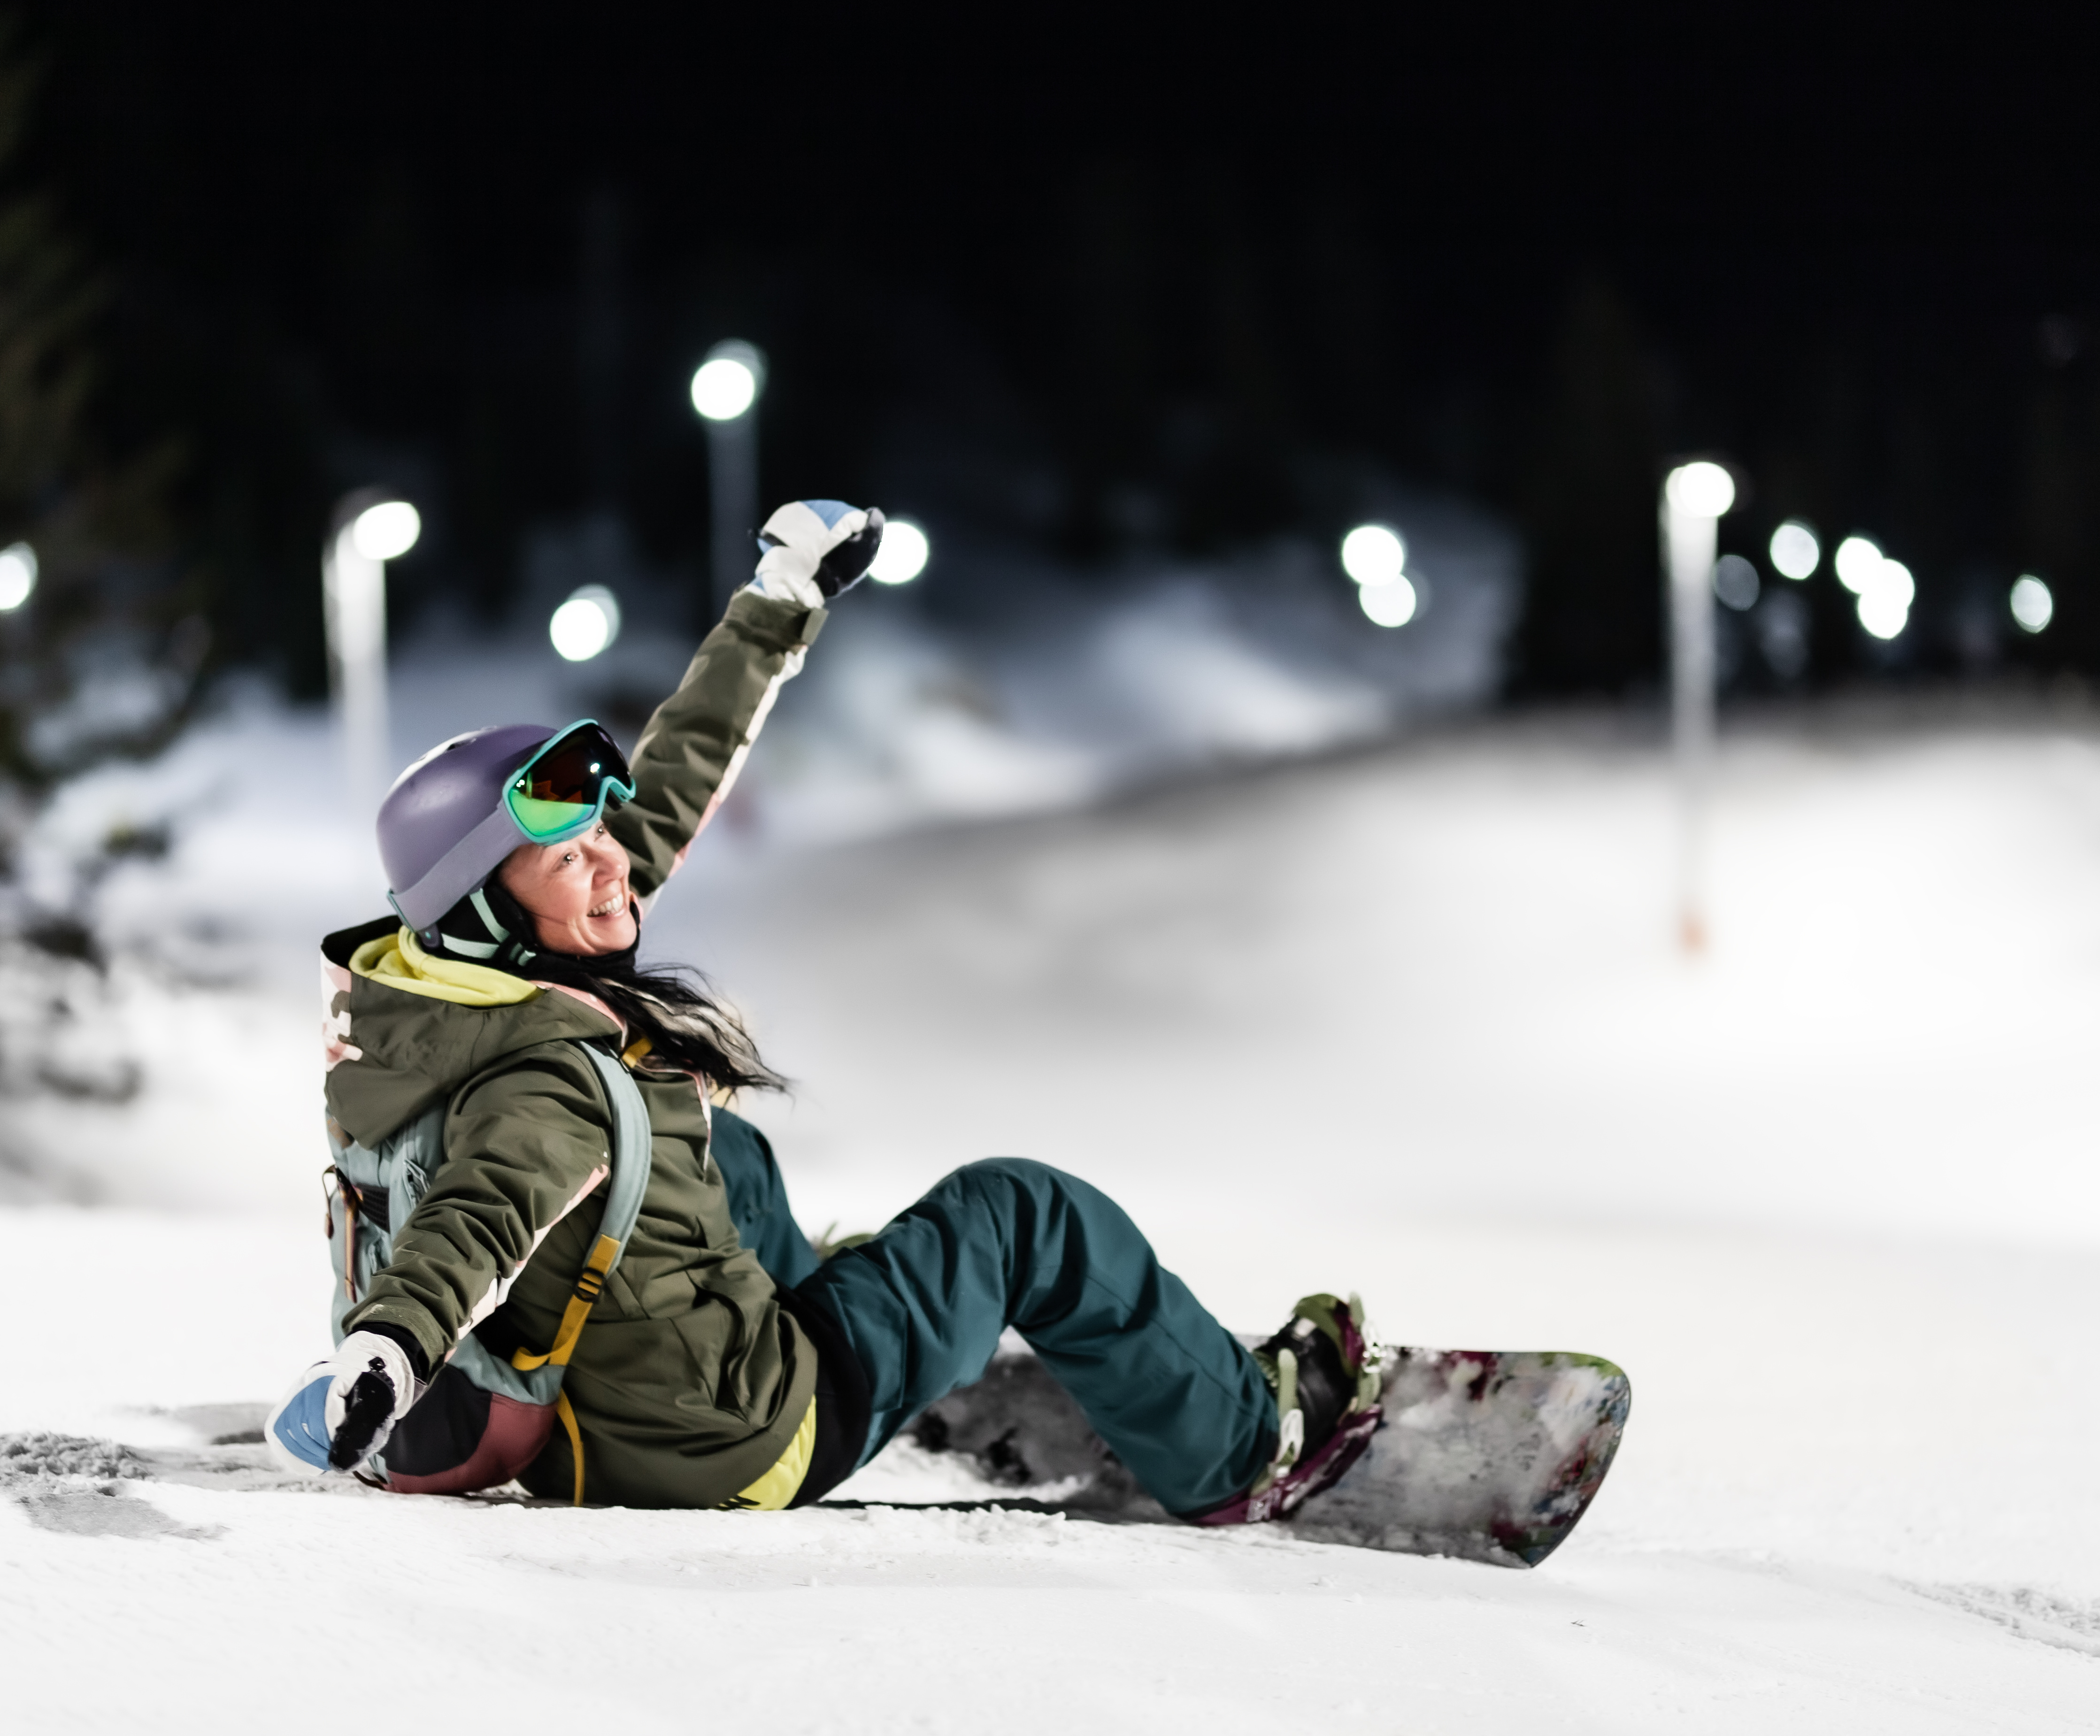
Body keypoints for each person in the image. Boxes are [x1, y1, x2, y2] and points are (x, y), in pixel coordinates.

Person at [278, 499, 1378, 1521]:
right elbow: (477, 1220)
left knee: (730, 1158)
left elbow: (665, 788)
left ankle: (847, 1307)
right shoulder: (547, 1078)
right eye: (573, 859)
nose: (614, 866)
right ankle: (1245, 1448)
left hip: (603, 1426)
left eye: (601, 837)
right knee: (1025, 1214)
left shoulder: (434, 995)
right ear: (485, 908)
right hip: (740, 1436)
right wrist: (392, 1350)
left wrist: (777, 604)